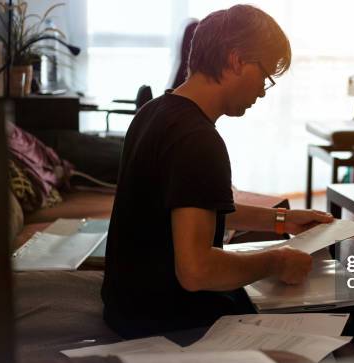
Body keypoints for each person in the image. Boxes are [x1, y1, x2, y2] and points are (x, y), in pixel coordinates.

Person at [101, 5, 335, 339]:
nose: (261, 92)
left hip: (126, 306)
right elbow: (196, 271)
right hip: (168, 321)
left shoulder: (154, 112)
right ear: (237, 59)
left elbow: (195, 205)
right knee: (350, 315)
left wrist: (282, 220)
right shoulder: (198, 140)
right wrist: (275, 262)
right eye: (265, 76)